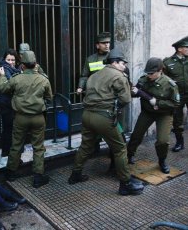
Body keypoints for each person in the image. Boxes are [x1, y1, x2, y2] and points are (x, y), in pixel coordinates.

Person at [67, 49, 144, 196]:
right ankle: (125, 183)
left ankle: (75, 175)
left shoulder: (95, 75)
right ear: (114, 62)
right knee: (120, 148)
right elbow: (126, 99)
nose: (124, 66)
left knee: (85, 146)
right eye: (122, 63)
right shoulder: (119, 76)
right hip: (104, 117)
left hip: (87, 115)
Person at [0, 51, 53, 188]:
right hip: (38, 118)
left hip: (20, 118)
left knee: (16, 145)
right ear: (35, 64)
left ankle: (10, 173)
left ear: (22, 65)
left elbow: (3, 88)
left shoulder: (17, 78)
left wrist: (2, 76)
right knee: (38, 147)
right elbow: (49, 98)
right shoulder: (43, 79)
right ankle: (38, 177)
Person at [127, 58, 180, 174]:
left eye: (152, 73)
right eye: (147, 73)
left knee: (162, 141)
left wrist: (157, 102)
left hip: (164, 114)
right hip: (147, 112)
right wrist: (133, 91)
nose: (149, 75)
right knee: (136, 135)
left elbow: (175, 103)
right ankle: (129, 154)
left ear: (160, 70)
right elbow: (134, 93)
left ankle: (162, 160)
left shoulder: (170, 84)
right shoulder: (143, 80)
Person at [163, 36, 188, 152]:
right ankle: (179, 142)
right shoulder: (167, 62)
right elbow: (164, 80)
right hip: (178, 96)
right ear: (179, 49)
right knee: (177, 121)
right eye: (186, 47)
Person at [0, 49, 21, 157]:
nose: (11, 62)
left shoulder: (14, 69)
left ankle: (14, 149)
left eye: (13, 60)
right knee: (7, 127)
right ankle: (6, 151)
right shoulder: (4, 69)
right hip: (5, 103)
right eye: (8, 59)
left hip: (12, 102)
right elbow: (8, 86)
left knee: (13, 127)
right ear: (5, 59)